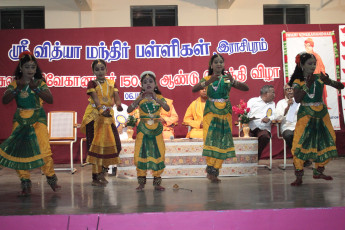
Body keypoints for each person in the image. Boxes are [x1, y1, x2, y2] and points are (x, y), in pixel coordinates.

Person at [0, 51, 60, 196]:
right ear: (21, 68)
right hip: (20, 119)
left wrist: (36, 88)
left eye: (33, 67)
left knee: (44, 149)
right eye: (27, 67)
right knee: (20, 152)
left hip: (38, 118)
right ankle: (25, 182)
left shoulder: (40, 83)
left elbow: (50, 99)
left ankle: (51, 178)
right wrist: (17, 89)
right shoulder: (14, 83)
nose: (30, 70)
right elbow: (5, 100)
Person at [288, 52, 344, 186]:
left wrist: (328, 81)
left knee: (328, 140)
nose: (313, 66)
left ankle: (318, 171)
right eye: (310, 64)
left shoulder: (320, 77)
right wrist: (307, 84)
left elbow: (341, 86)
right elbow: (297, 99)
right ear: (302, 65)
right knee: (299, 144)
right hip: (305, 115)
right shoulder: (297, 81)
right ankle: (299, 175)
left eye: (314, 64)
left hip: (322, 115)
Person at [192, 54, 249, 183]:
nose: (219, 64)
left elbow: (246, 88)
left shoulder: (227, 79)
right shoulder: (207, 78)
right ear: (211, 65)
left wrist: (233, 81)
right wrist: (208, 82)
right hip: (211, 113)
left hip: (225, 113)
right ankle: (211, 168)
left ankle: (215, 170)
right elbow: (194, 89)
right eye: (216, 62)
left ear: (223, 65)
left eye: (221, 62)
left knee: (223, 141)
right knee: (210, 140)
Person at [80, 59, 123, 186]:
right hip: (94, 116)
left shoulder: (111, 83)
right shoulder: (91, 83)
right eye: (97, 69)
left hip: (108, 117)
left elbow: (116, 97)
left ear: (106, 70)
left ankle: (103, 172)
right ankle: (96, 176)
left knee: (115, 145)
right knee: (95, 148)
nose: (100, 72)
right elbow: (95, 99)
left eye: (102, 69)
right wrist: (100, 110)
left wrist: (119, 105)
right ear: (93, 71)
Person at [127, 71, 170, 191]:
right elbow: (129, 109)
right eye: (145, 82)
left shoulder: (159, 98)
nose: (148, 84)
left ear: (155, 84)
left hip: (156, 130)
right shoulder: (140, 98)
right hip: (143, 130)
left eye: (150, 81)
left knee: (158, 152)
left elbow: (167, 108)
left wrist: (156, 98)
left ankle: (157, 182)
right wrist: (138, 100)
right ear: (142, 86)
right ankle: (141, 183)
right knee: (141, 153)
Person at [247, 85, 276, 160]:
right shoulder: (253, 101)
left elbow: (275, 115)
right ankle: (246, 160)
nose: (274, 95)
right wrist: (248, 118)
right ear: (266, 94)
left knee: (265, 136)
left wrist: (269, 118)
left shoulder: (272, 104)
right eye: (273, 93)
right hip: (251, 127)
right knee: (245, 137)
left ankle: (256, 157)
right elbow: (246, 113)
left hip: (264, 128)